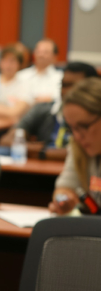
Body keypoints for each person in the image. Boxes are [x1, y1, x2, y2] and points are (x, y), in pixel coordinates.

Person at [0, 62, 98, 160]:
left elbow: (83, 151)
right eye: (63, 85)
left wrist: (43, 152)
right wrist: (35, 149)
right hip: (42, 168)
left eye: (73, 86)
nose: (65, 91)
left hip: (76, 169)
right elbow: (6, 140)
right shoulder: (44, 109)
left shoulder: (96, 117)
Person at [49, 77, 101, 215]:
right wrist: (63, 199)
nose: (77, 136)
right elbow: (64, 188)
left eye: (84, 126)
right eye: (72, 128)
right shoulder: (79, 147)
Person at [16, 39, 62, 103]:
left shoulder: (60, 77)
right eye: (38, 51)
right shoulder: (21, 75)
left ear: (55, 57)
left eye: (46, 52)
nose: (41, 55)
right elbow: (13, 98)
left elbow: (57, 98)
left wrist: (29, 101)